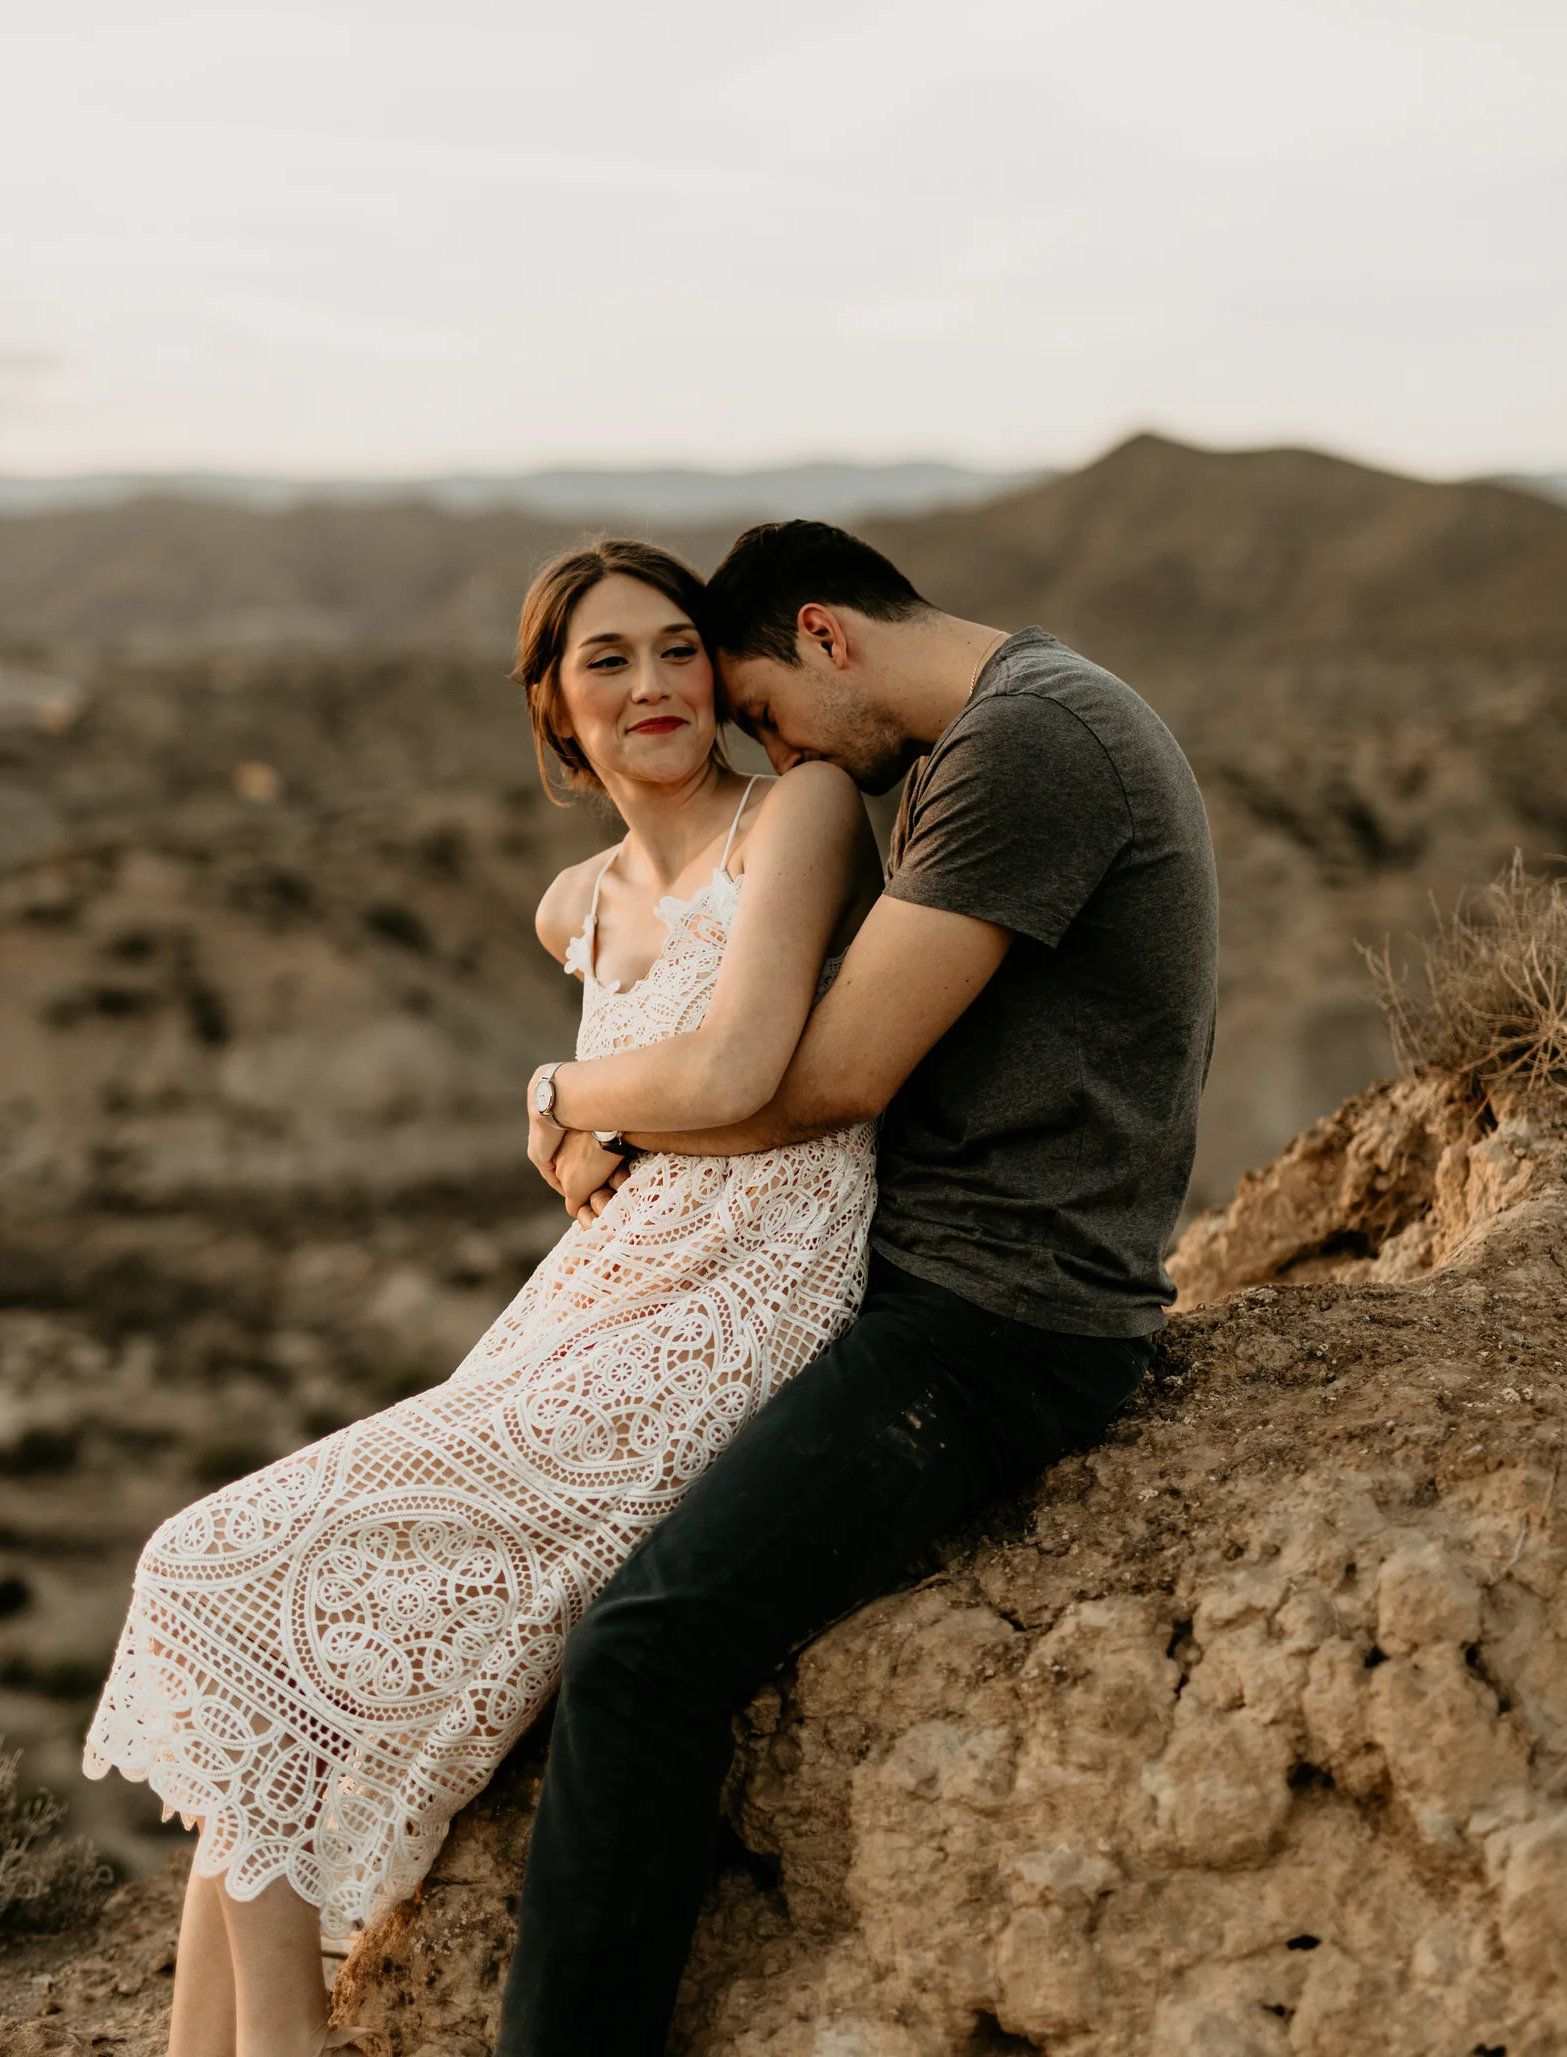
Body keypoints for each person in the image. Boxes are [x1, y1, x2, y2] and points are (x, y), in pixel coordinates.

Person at [83, 537, 882, 2057]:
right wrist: (600, 1122)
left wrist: (563, 1086)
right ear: (551, 707)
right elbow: (646, 1128)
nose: (652, 684)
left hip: (752, 1295)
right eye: (606, 660)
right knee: (257, 1652)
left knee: (205, 1570)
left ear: (719, 671)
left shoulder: (802, 813)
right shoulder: (570, 906)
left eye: (675, 649)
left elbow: (737, 1068)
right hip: (601, 1290)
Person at [504, 519, 1219, 2057]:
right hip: (942, 1284)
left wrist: (583, 1099)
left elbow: (826, 1078)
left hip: (994, 1321)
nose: (771, 752)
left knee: (642, 1647)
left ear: (827, 638)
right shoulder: (1015, 720)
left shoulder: (1028, 746)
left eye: (758, 709)